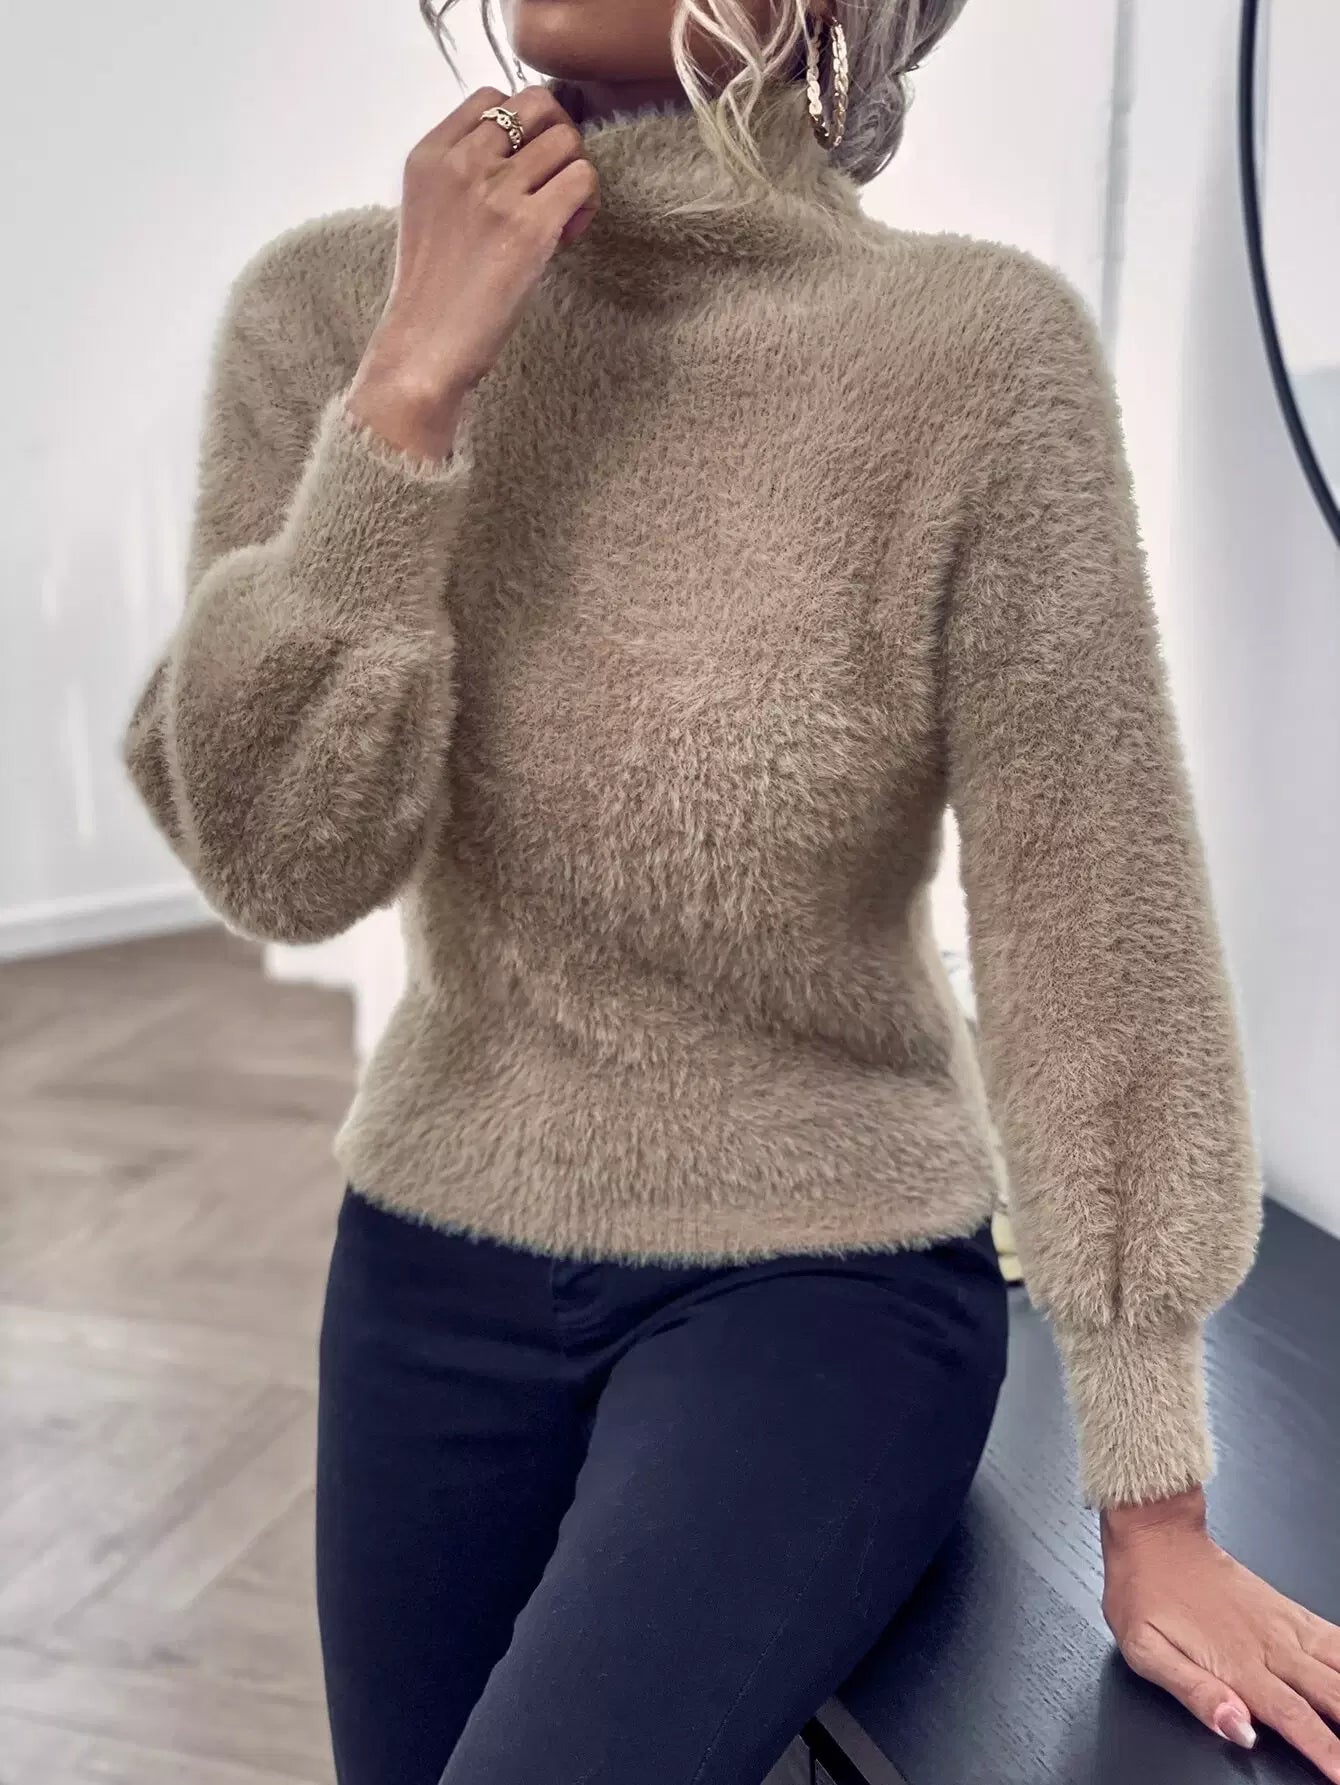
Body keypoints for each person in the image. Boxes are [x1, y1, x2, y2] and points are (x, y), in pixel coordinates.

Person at [119, 2, 1340, 1782]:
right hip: (429, 1263)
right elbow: (279, 860)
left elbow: (1096, 918)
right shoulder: (329, 311)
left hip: (825, 1277)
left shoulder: (975, 356)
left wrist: (1154, 1499)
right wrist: (406, 397)